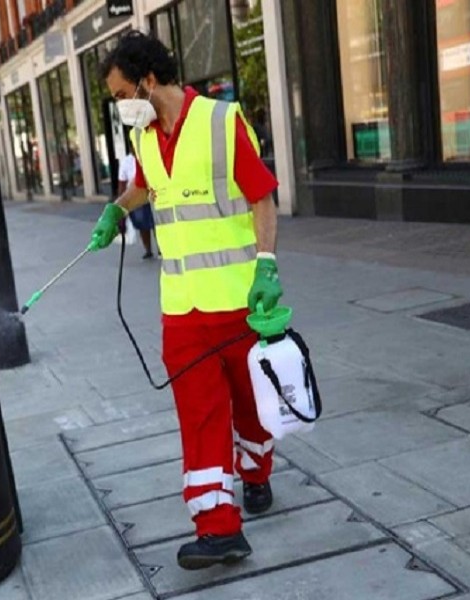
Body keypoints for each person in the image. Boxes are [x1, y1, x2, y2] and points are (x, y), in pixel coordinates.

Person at [88, 31, 283, 570]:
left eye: (121, 92)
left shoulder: (222, 123)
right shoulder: (145, 136)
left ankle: (257, 471)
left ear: (148, 81)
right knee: (199, 415)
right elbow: (150, 184)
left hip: (237, 300)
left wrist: (266, 265)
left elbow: (262, 197)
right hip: (182, 310)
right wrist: (118, 209)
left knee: (248, 405)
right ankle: (218, 527)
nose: (120, 105)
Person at [118, 136, 156, 259]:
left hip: (152, 194)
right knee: (142, 225)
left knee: (156, 223)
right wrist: (121, 205)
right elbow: (122, 182)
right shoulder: (126, 162)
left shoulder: (148, 155)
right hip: (136, 196)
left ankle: (161, 248)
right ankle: (148, 249)